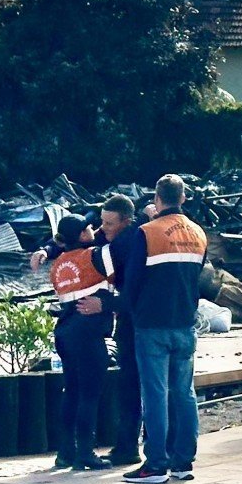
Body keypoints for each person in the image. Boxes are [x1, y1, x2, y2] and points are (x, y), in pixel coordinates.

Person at [119, 174, 208, 484]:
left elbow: (131, 283)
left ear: (157, 199)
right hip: (185, 322)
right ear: (183, 198)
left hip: (152, 325)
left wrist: (127, 311)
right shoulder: (198, 233)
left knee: (155, 394)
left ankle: (156, 464)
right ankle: (183, 461)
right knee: (185, 393)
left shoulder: (147, 232)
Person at [32, 213, 112, 470]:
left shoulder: (59, 264)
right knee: (90, 394)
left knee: (72, 392)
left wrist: (48, 248)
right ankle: (86, 453)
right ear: (81, 235)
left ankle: (65, 452)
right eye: (89, 228)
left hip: (66, 332)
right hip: (89, 333)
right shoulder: (96, 257)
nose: (94, 229)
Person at [95, 195, 144, 467]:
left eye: (109, 223)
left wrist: (104, 303)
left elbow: (96, 259)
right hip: (141, 319)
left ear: (125, 221)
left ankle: (128, 446)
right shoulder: (133, 235)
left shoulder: (126, 243)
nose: (103, 228)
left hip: (133, 321)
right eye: (102, 222)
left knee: (131, 386)